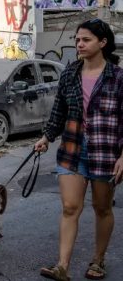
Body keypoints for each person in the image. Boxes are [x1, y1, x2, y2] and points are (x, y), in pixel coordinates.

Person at [35, 18, 123, 281]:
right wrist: (47, 136)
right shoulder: (70, 73)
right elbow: (59, 110)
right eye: (77, 39)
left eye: (85, 39)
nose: (79, 44)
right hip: (73, 149)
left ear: (103, 43)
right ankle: (62, 266)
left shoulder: (117, 78)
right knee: (70, 207)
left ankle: (98, 260)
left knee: (102, 208)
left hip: (106, 153)